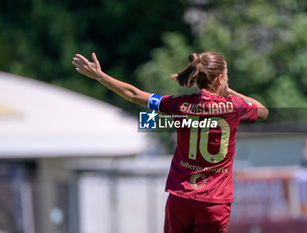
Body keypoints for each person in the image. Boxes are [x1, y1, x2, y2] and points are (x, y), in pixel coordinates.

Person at [72, 51, 269, 233]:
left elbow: (134, 94)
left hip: (181, 198)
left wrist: (100, 76)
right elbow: (262, 111)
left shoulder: (178, 104)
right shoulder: (234, 107)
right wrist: (227, 90)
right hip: (214, 203)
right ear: (219, 78)